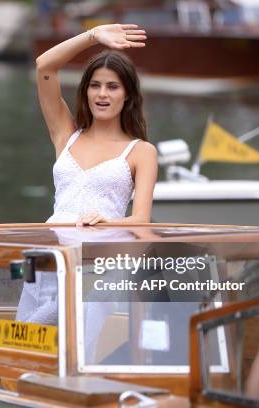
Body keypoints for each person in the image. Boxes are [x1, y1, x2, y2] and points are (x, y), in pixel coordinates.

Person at [16, 24, 157, 325]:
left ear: (128, 95)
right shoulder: (66, 134)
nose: (102, 94)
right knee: (30, 347)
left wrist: (109, 222)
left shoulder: (141, 151)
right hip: (47, 259)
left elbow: (142, 220)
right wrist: (92, 36)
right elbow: (44, 66)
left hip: (96, 268)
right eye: (95, 85)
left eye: (112, 86)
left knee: (75, 348)